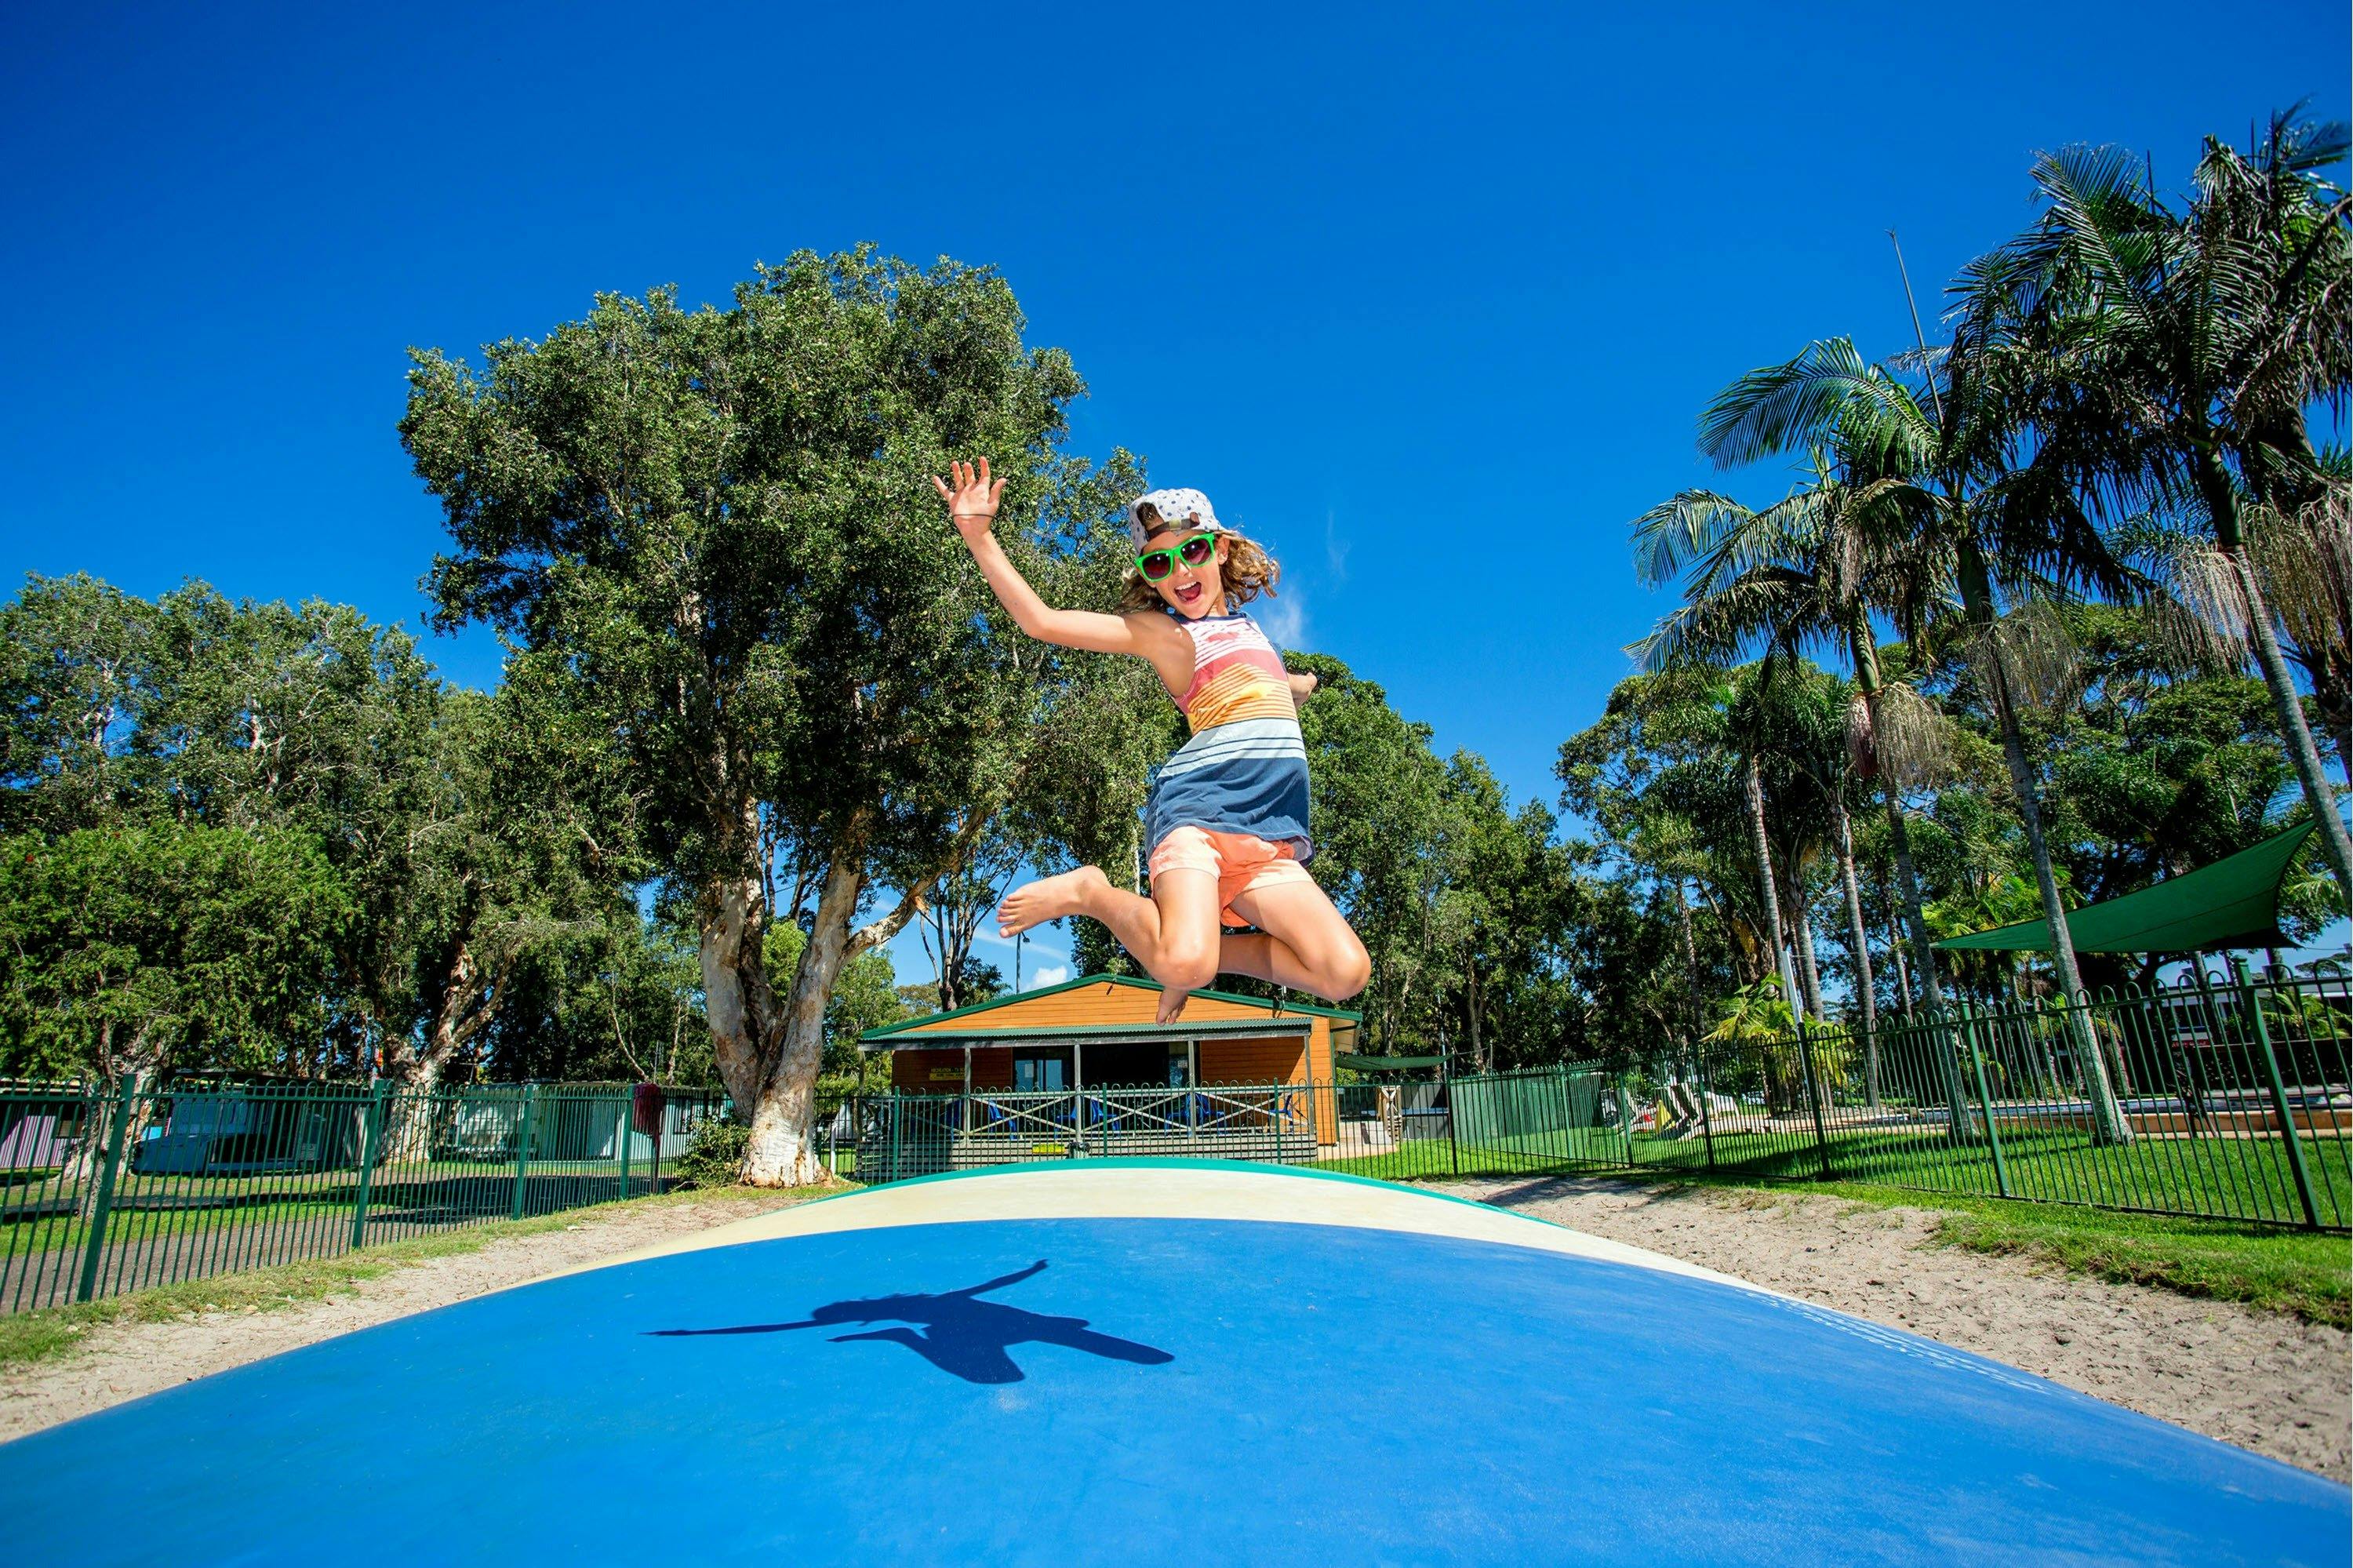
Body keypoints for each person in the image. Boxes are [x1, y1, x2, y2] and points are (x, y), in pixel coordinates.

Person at [933, 460, 1372, 1023]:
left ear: (1218, 549)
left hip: (1266, 837)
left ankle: (1197, 958)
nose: (1179, 571)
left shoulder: (1250, 634)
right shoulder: (1167, 636)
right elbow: (1041, 620)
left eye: (1190, 552)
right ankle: (1095, 894)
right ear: (1150, 575)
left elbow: (1275, 686)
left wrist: (1303, 685)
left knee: (1344, 972)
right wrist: (980, 536)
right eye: (1159, 562)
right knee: (1182, 963)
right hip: (1199, 815)